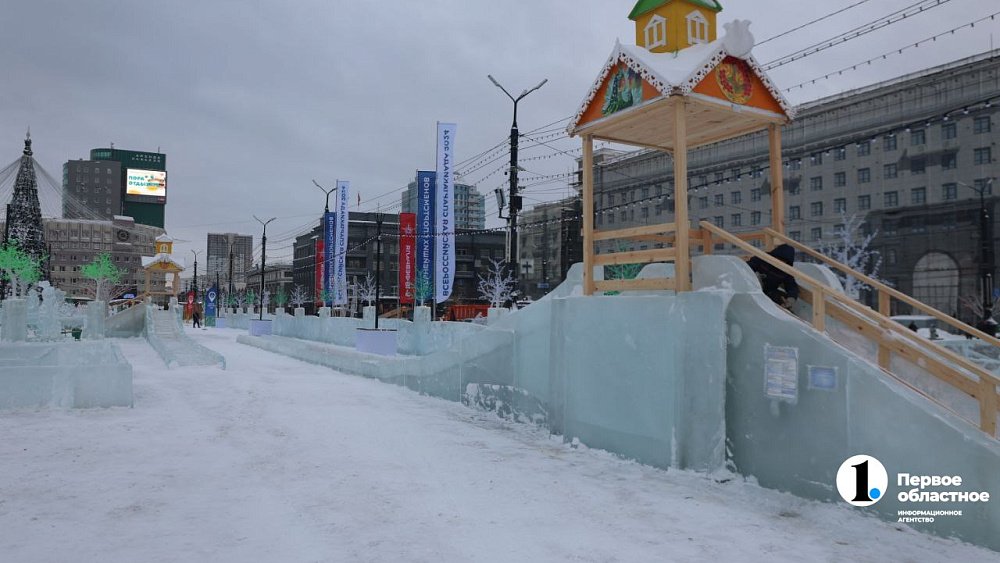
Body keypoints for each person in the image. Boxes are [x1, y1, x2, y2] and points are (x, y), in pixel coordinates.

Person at [747, 243, 799, 309]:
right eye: (779, 258)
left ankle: (785, 313)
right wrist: (755, 276)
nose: (781, 262)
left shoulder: (785, 270)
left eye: (784, 261)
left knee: (782, 299)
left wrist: (791, 299)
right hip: (751, 289)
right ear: (774, 256)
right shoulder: (762, 259)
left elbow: (791, 286)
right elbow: (746, 268)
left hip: (769, 292)